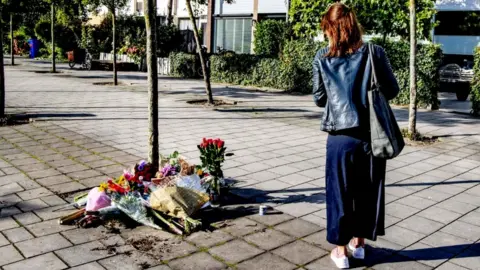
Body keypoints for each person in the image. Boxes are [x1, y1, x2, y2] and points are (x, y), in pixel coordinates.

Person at [312, 3, 400, 269]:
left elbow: (319, 98)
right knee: (367, 190)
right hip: (371, 135)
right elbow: (393, 90)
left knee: (339, 193)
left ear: (329, 27)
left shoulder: (322, 57)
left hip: (340, 138)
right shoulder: (375, 52)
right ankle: (359, 244)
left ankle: (341, 252)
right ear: (354, 23)